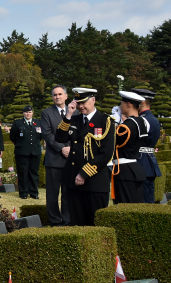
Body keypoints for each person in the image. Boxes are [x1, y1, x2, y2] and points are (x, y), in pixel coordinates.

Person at [55, 87, 116, 226]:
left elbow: (106, 153)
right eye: (78, 103)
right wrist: (68, 115)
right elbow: (60, 137)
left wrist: (84, 173)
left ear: (93, 100)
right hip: (73, 180)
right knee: (77, 222)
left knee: (94, 222)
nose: (81, 106)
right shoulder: (74, 120)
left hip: (94, 180)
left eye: (84, 102)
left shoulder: (105, 121)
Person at [41, 85, 72, 225]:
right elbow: (47, 134)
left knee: (68, 194)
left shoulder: (75, 113)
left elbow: (78, 133)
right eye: (54, 95)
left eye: (60, 94)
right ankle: (54, 220)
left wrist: (70, 148)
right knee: (52, 195)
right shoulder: (46, 113)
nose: (57, 97)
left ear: (66, 96)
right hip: (54, 159)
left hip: (70, 160)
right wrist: (62, 148)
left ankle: (67, 220)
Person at [111, 91, 148, 204]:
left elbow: (112, 143)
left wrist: (114, 123)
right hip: (135, 167)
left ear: (128, 104)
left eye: (121, 103)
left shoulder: (126, 126)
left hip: (124, 170)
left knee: (123, 206)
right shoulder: (142, 121)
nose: (120, 106)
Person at [132, 88, 162, 203]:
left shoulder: (143, 120)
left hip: (141, 162)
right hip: (147, 161)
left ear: (142, 102)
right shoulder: (151, 119)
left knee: (142, 200)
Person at [10, 105, 43, 199]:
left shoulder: (38, 122)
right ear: (23, 113)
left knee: (34, 173)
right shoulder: (18, 123)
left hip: (35, 151)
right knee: (23, 173)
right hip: (22, 152)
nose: (28, 114)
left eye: (30, 112)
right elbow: (13, 137)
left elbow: (40, 136)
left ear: (32, 113)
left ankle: (34, 192)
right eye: (26, 112)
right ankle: (23, 193)